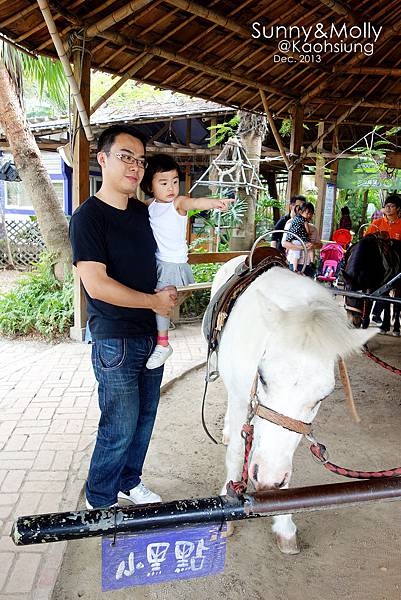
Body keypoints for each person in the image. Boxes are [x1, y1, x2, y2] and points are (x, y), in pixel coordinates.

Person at [69, 125, 177, 510]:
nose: (135, 166)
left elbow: (163, 258)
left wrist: (166, 292)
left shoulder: (144, 214)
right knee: (118, 426)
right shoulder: (88, 218)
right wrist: (152, 301)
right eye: (125, 157)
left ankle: (129, 482)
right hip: (115, 340)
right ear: (103, 159)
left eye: (140, 160)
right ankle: (99, 499)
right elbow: (96, 285)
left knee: (144, 419)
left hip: (151, 336)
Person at [141, 154, 233, 369]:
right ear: (150, 185)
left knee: (161, 305)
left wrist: (213, 203)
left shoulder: (178, 203)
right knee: (153, 303)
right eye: (163, 183)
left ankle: (163, 344)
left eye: (174, 181)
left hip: (172, 265)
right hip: (157, 263)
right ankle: (158, 339)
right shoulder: (149, 205)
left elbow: (195, 202)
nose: (171, 187)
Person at [364, 194, 401, 329]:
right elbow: (366, 240)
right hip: (379, 267)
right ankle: (377, 318)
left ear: (398, 209)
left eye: (391, 206)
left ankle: (395, 319)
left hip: (398, 267)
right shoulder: (377, 223)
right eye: (386, 206)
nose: (388, 208)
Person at [285, 202, 315, 272]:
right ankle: (312, 261)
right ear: (301, 212)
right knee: (310, 248)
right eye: (308, 213)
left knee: (296, 254)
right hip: (301, 239)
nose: (309, 215)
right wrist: (309, 233)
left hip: (292, 238)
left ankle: (295, 269)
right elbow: (307, 230)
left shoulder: (294, 219)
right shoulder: (304, 220)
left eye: (311, 214)